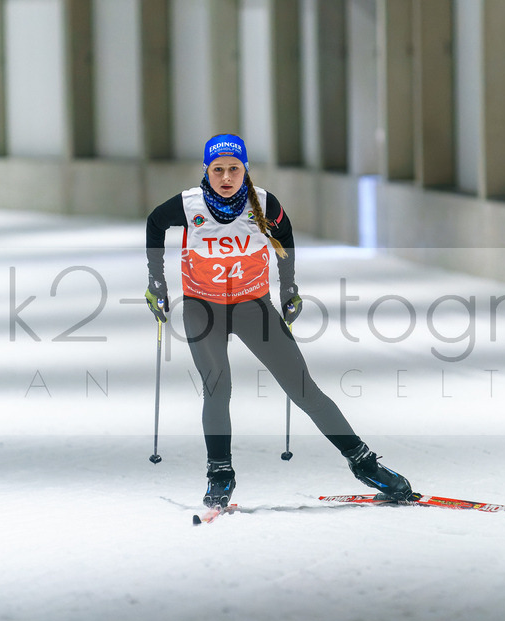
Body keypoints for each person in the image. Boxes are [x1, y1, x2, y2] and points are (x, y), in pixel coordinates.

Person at [144, 133, 415, 509]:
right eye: (218, 169)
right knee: (217, 388)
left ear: (245, 171)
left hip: (252, 305)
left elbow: (284, 239)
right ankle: (220, 474)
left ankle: (364, 463)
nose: (226, 177)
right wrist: (156, 281)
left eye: (234, 169)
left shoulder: (265, 203)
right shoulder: (189, 205)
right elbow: (155, 224)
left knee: (304, 390)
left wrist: (289, 289)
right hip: (202, 307)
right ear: (206, 170)